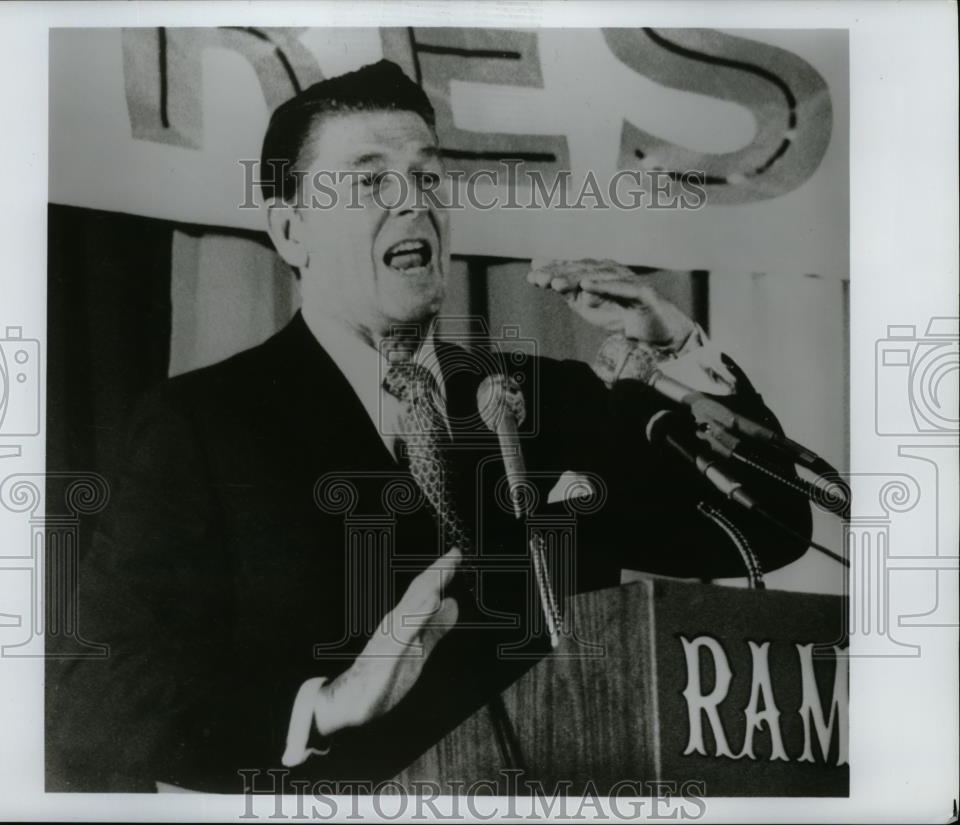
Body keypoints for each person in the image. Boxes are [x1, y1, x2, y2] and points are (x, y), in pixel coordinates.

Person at [51, 60, 810, 793]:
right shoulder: (203, 427)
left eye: (427, 177)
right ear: (290, 229)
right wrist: (323, 705)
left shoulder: (552, 399)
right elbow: (94, 695)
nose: (412, 201)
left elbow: (769, 523)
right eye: (369, 180)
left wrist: (674, 344)